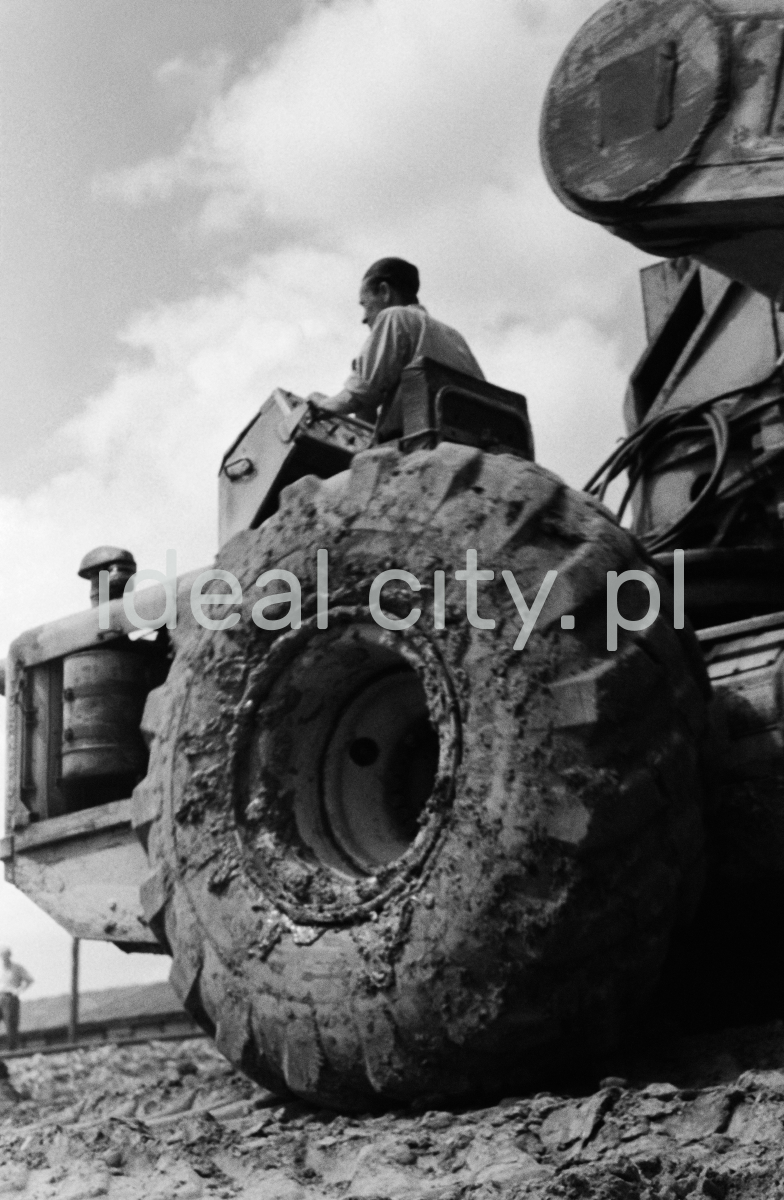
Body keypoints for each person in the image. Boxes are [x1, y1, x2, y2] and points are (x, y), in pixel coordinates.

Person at [313, 257, 484, 437]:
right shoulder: (455, 336)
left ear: (384, 292)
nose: (363, 318)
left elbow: (354, 397)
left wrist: (314, 407)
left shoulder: (394, 317)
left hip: (419, 444)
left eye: (365, 304)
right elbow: (367, 418)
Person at [0, 947, 32, 1051]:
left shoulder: (17, 967)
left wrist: (18, 990)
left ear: (9, 955)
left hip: (10, 998)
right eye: (2, 955)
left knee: (10, 1024)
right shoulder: (0, 968)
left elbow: (29, 979)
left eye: (5, 955)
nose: (4, 958)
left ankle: (12, 1050)